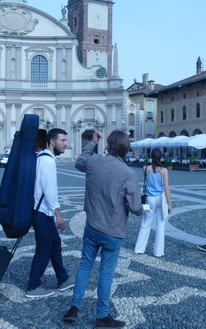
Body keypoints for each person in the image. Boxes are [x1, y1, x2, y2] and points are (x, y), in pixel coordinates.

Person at [62, 130, 143, 328]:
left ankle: (74, 307)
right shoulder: (128, 173)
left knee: (84, 265)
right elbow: (135, 208)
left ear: (108, 144)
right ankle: (102, 316)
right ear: (125, 149)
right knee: (106, 273)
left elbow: (79, 162)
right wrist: (141, 206)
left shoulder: (94, 162)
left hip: (92, 224)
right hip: (113, 230)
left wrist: (92, 143)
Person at [26, 128, 74, 298]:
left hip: (39, 211)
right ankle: (33, 286)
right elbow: (50, 190)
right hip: (42, 213)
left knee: (55, 244)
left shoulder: (42, 158)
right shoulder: (48, 162)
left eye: (66, 141)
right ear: (52, 142)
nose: (65, 144)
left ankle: (63, 279)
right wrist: (58, 214)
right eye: (62, 141)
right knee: (43, 250)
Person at [134, 148, 171, 257]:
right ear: (161, 157)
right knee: (160, 225)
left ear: (151, 156)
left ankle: (139, 249)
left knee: (145, 224)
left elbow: (146, 183)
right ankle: (158, 252)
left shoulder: (145, 168)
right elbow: (167, 188)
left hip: (149, 199)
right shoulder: (164, 170)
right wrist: (169, 203)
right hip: (160, 198)